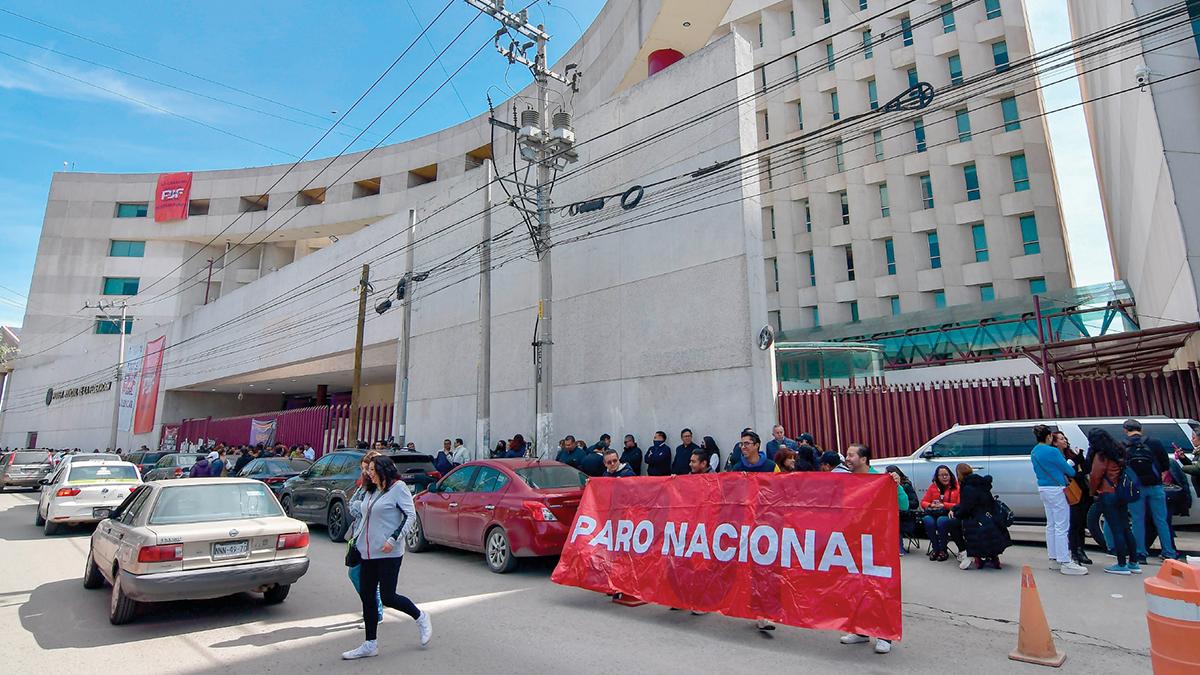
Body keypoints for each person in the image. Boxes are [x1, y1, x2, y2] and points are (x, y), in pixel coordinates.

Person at [341, 455, 432, 660]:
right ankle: (370, 644)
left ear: (383, 470)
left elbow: (410, 515)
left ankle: (421, 617)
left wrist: (393, 539)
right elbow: (364, 515)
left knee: (388, 597)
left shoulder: (398, 488)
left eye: (372, 470)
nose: (368, 473)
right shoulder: (371, 489)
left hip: (388, 552)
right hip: (367, 552)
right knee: (367, 596)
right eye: (368, 470)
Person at [839, 443, 899, 654]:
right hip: (853, 543)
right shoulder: (847, 480)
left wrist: (895, 485)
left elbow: (904, 504)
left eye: (851, 455)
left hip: (878, 544)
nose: (847, 458)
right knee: (855, 587)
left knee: (879, 589)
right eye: (847, 454)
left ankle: (884, 635)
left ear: (864, 459)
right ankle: (861, 630)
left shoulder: (882, 479)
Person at [1030, 424, 1087, 575]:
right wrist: (1072, 462)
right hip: (1057, 488)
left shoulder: (1034, 451)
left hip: (1043, 488)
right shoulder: (1053, 451)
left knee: (1051, 525)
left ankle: (1053, 558)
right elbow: (1069, 471)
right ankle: (1065, 561)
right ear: (1048, 437)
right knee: (1062, 525)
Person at [1123, 419, 1179, 562]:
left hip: (1135, 487)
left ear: (1125, 430)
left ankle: (1140, 553)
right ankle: (1168, 552)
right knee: (1161, 520)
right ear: (1141, 429)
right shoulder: (1155, 443)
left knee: (1137, 520)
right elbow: (1166, 464)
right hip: (1156, 486)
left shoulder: (1123, 445)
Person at [1087, 428, 1140, 575]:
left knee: (1116, 529)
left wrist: (1092, 492)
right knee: (1125, 528)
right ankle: (1133, 562)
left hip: (1107, 492)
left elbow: (1095, 476)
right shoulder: (1119, 450)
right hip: (1121, 493)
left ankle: (1121, 564)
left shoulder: (1101, 455)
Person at [348, 451, 385, 626]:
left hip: (370, 538)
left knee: (361, 576)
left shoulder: (378, 489)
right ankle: (373, 611)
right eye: (363, 468)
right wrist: (359, 507)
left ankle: (374, 612)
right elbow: (352, 506)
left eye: (368, 468)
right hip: (358, 537)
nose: (365, 472)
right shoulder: (363, 485)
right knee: (359, 575)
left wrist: (359, 507)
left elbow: (363, 510)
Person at [949, 463, 1010, 571]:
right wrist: (954, 508)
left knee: (953, 524)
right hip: (989, 516)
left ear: (959, 475)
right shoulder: (980, 483)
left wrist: (955, 513)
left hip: (975, 519)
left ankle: (966, 553)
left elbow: (966, 508)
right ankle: (992, 557)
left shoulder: (967, 487)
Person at [1053, 431, 1093, 565]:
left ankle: (1081, 550)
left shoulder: (1071, 454)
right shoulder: (1055, 456)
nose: (1064, 441)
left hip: (1082, 490)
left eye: (1064, 438)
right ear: (1054, 442)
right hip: (1070, 492)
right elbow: (1065, 472)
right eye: (1061, 439)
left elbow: (1085, 470)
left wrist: (1080, 458)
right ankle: (1074, 552)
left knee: (1081, 523)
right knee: (1073, 523)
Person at [919, 464, 960, 561]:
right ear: (937, 477)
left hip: (950, 514)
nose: (944, 477)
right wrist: (931, 505)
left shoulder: (956, 486)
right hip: (935, 513)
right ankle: (935, 548)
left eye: (946, 474)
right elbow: (923, 502)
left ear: (950, 475)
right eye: (941, 475)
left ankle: (943, 550)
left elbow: (959, 504)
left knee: (941, 521)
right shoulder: (933, 486)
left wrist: (944, 505)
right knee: (927, 520)